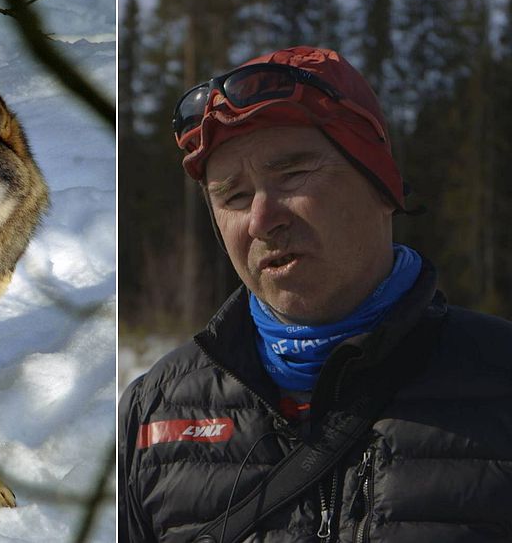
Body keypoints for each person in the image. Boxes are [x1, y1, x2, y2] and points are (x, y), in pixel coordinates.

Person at [118, 46, 512, 543]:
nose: (262, 220)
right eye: (234, 197)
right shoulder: (155, 411)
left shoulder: (500, 381)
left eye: (293, 173)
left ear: (381, 184)